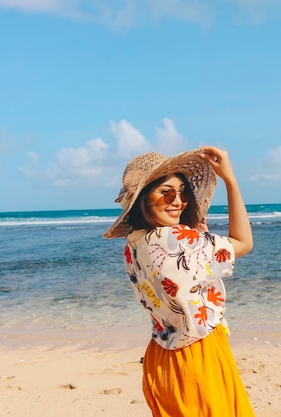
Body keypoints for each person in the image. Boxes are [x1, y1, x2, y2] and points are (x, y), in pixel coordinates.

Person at [103, 145, 255, 417]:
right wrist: (230, 180)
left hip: (161, 355)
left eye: (183, 192)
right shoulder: (176, 240)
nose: (178, 201)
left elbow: (191, 282)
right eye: (166, 192)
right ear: (142, 199)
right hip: (198, 355)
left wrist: (198, 241)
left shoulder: (134, 243)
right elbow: (243, 242)